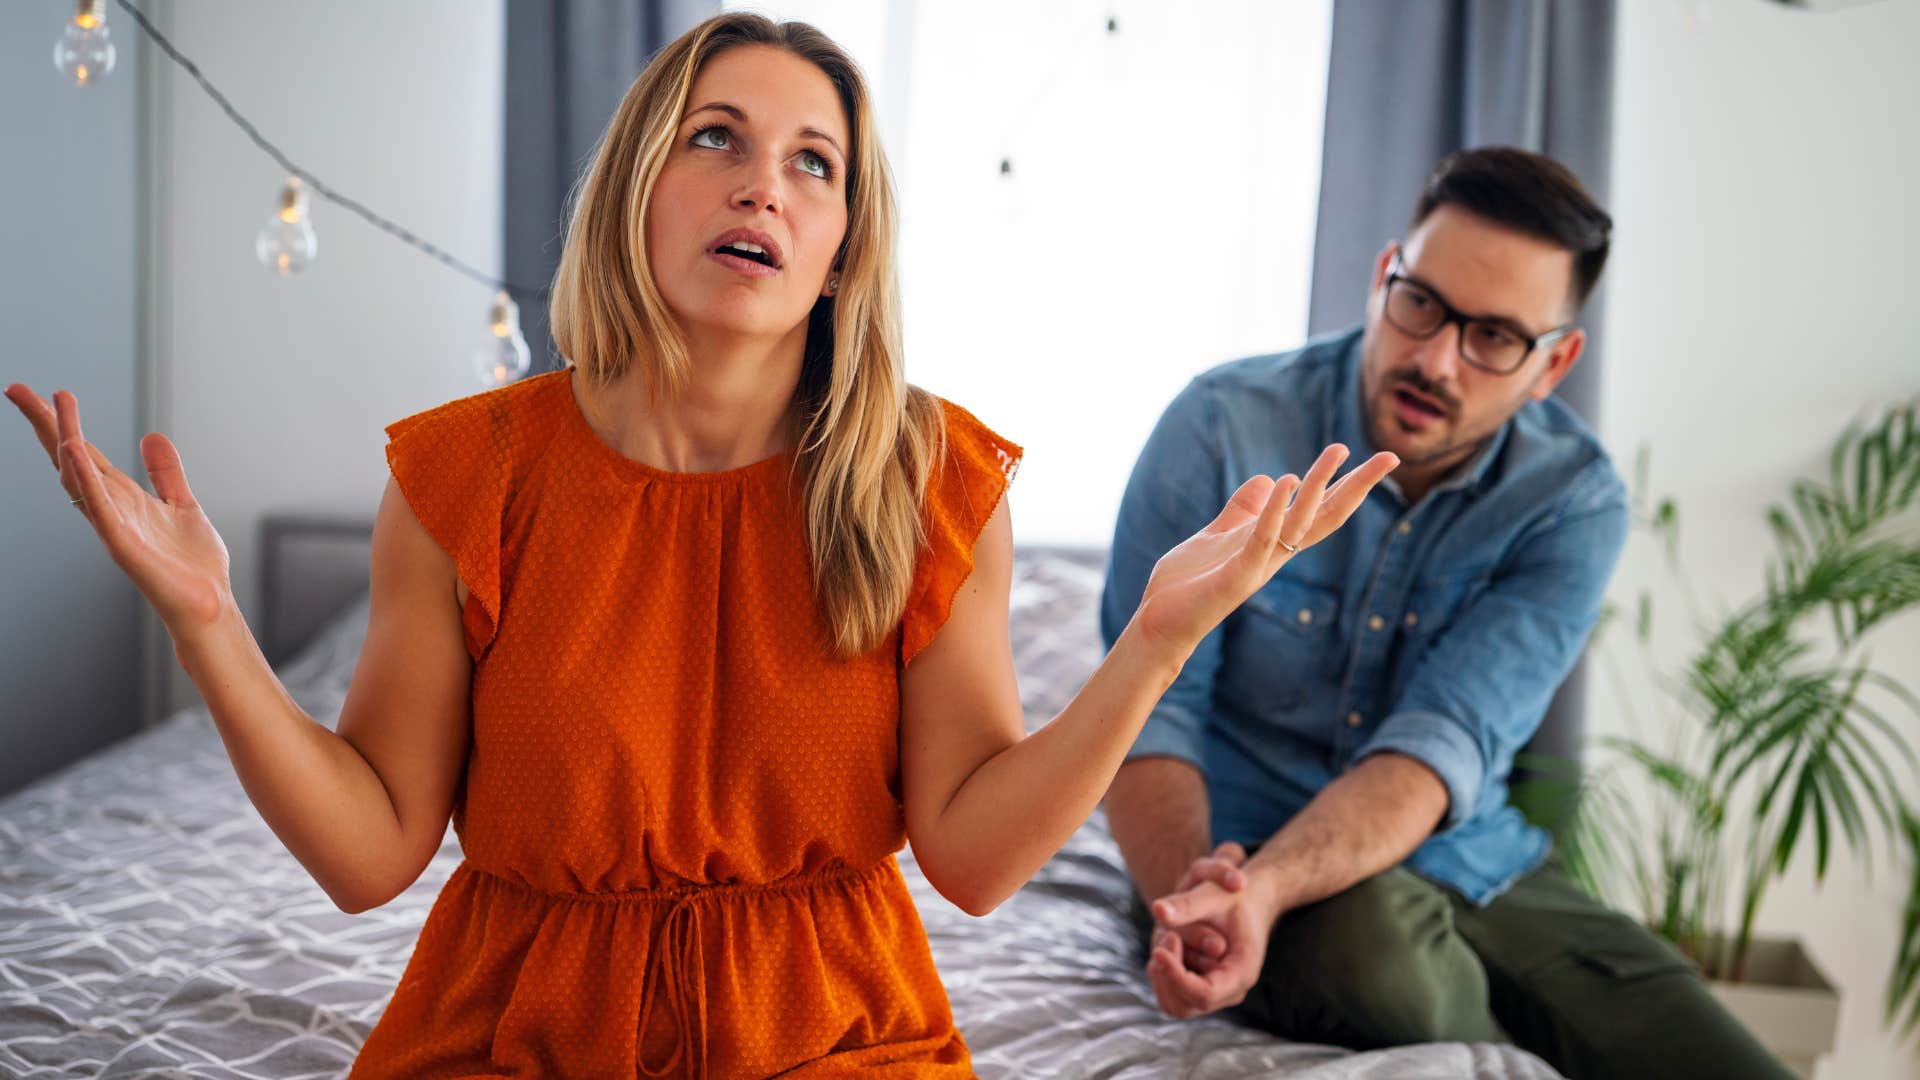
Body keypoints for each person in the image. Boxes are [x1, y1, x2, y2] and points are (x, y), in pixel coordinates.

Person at [5, 13, 1395, 1077]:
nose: (763, 188)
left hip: (833, 1031)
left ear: (845, 247)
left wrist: (1154, 641)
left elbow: (970, 862)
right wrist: (207, 627)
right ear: (637, 188)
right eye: (714, 137)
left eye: (813, 163)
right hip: (513, 1033)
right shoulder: (464, 474)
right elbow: (372, 852)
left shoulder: (928, 479)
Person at [1099, 146, 1792, 1079]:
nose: (1435, 360)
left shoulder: (1572, 501)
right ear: (1387, 271)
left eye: (1496, 337)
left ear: (1556, 364)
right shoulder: (1222, 429)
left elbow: (1441, 744)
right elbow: (1148, 715)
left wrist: (1264, 891)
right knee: (1376, 963)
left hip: (1471, 860)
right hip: (1225, 852)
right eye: (1420, 302)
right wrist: (1201, 901)